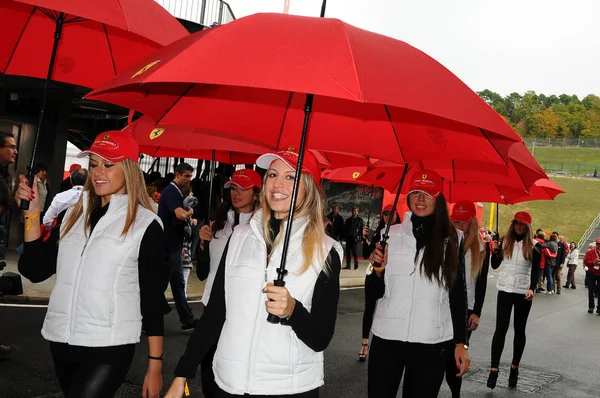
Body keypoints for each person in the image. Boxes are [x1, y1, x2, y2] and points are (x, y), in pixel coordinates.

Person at [165, 149, 343, 398]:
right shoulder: (239, 238)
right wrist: (182, 373)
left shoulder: (325, 251)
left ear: (309, 189)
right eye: (272, 174)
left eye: (291, 177)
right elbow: (216, 313)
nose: (278, 184)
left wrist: (293, 310)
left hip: (289, 388)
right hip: (228, 384)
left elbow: (321, 338)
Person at [16, 131, 168, 398]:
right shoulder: (73, 215)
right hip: (62, 341)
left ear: (130, 169)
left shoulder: (146, 225)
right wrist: (32, 213)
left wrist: (155, 365)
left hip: (109, 345)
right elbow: (34, 270)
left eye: (109, 164)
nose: (99, 172)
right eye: (94, 164)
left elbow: (152, 301)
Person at [367, 169, 469, 398]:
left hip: (431, 342)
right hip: (387, 337)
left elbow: (458, 295)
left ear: (439, 199)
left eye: (428, 193)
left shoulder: (453, 239)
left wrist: (461, 343)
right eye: (415, 192)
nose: (421, 199)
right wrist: (377, 270)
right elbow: (373, 292)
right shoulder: (388, 234)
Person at [195, 168, 262, 398]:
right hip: (210, 305)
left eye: (243, 189)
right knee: (207, 365)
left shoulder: (264, 228)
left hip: (241, 310)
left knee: (234, 369)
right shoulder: (217, 223)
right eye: (233, 188)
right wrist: (202, 244)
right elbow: (203, 273)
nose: (236, 193)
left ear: (256, 193)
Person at [487, 211, 541, 389]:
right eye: (516, 223)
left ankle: (514, 368)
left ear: (528, 226)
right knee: (500, 329)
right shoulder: (505, 242)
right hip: (505, 290)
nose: (519, 226)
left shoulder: (534, 247)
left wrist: (532, 288)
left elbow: (535, 271)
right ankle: (494, 369)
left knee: (519, 330)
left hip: (523, 292)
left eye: (522, 223)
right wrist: (494, 251)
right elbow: (495, 265)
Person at [445, 201, 490, 398]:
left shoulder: (480, 248)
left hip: (466, 309)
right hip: (441, 306)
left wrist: (476, 312)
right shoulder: (444, 242)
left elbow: (481, 284)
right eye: (456, 223)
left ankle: (456, 394)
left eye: (464, 223)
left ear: (472, 223)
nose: (460, 227)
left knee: (456, 357)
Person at [356, 205, 400, 362]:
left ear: (396, 215)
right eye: (385, 214)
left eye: (391, 214)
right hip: (374, 274)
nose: (388, 217)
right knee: (369, 308)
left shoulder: (402, 235)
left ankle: (387, 345)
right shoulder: (379, 234)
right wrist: (365, 237)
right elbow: (367, 253)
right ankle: (364, 343)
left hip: (393, 276)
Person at [158, 162, 197, 332]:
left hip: (174, 244)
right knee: (160, 285)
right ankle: (148, 318)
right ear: (177, 175)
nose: (190, 179)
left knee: (178, 284)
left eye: (191, 176)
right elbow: (180, 214)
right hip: (168, 245)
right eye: (187, 176)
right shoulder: (171, 191)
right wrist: (189, 214)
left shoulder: (177, 192)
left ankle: (187, 320)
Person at [583, 238, 600, 314]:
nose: (599, 245)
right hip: (591, 273)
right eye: (598, 244)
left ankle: (599, 308)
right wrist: (593, 262)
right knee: (591, 290)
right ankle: (591, 307)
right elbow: (586, 262)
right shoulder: (591, 252)